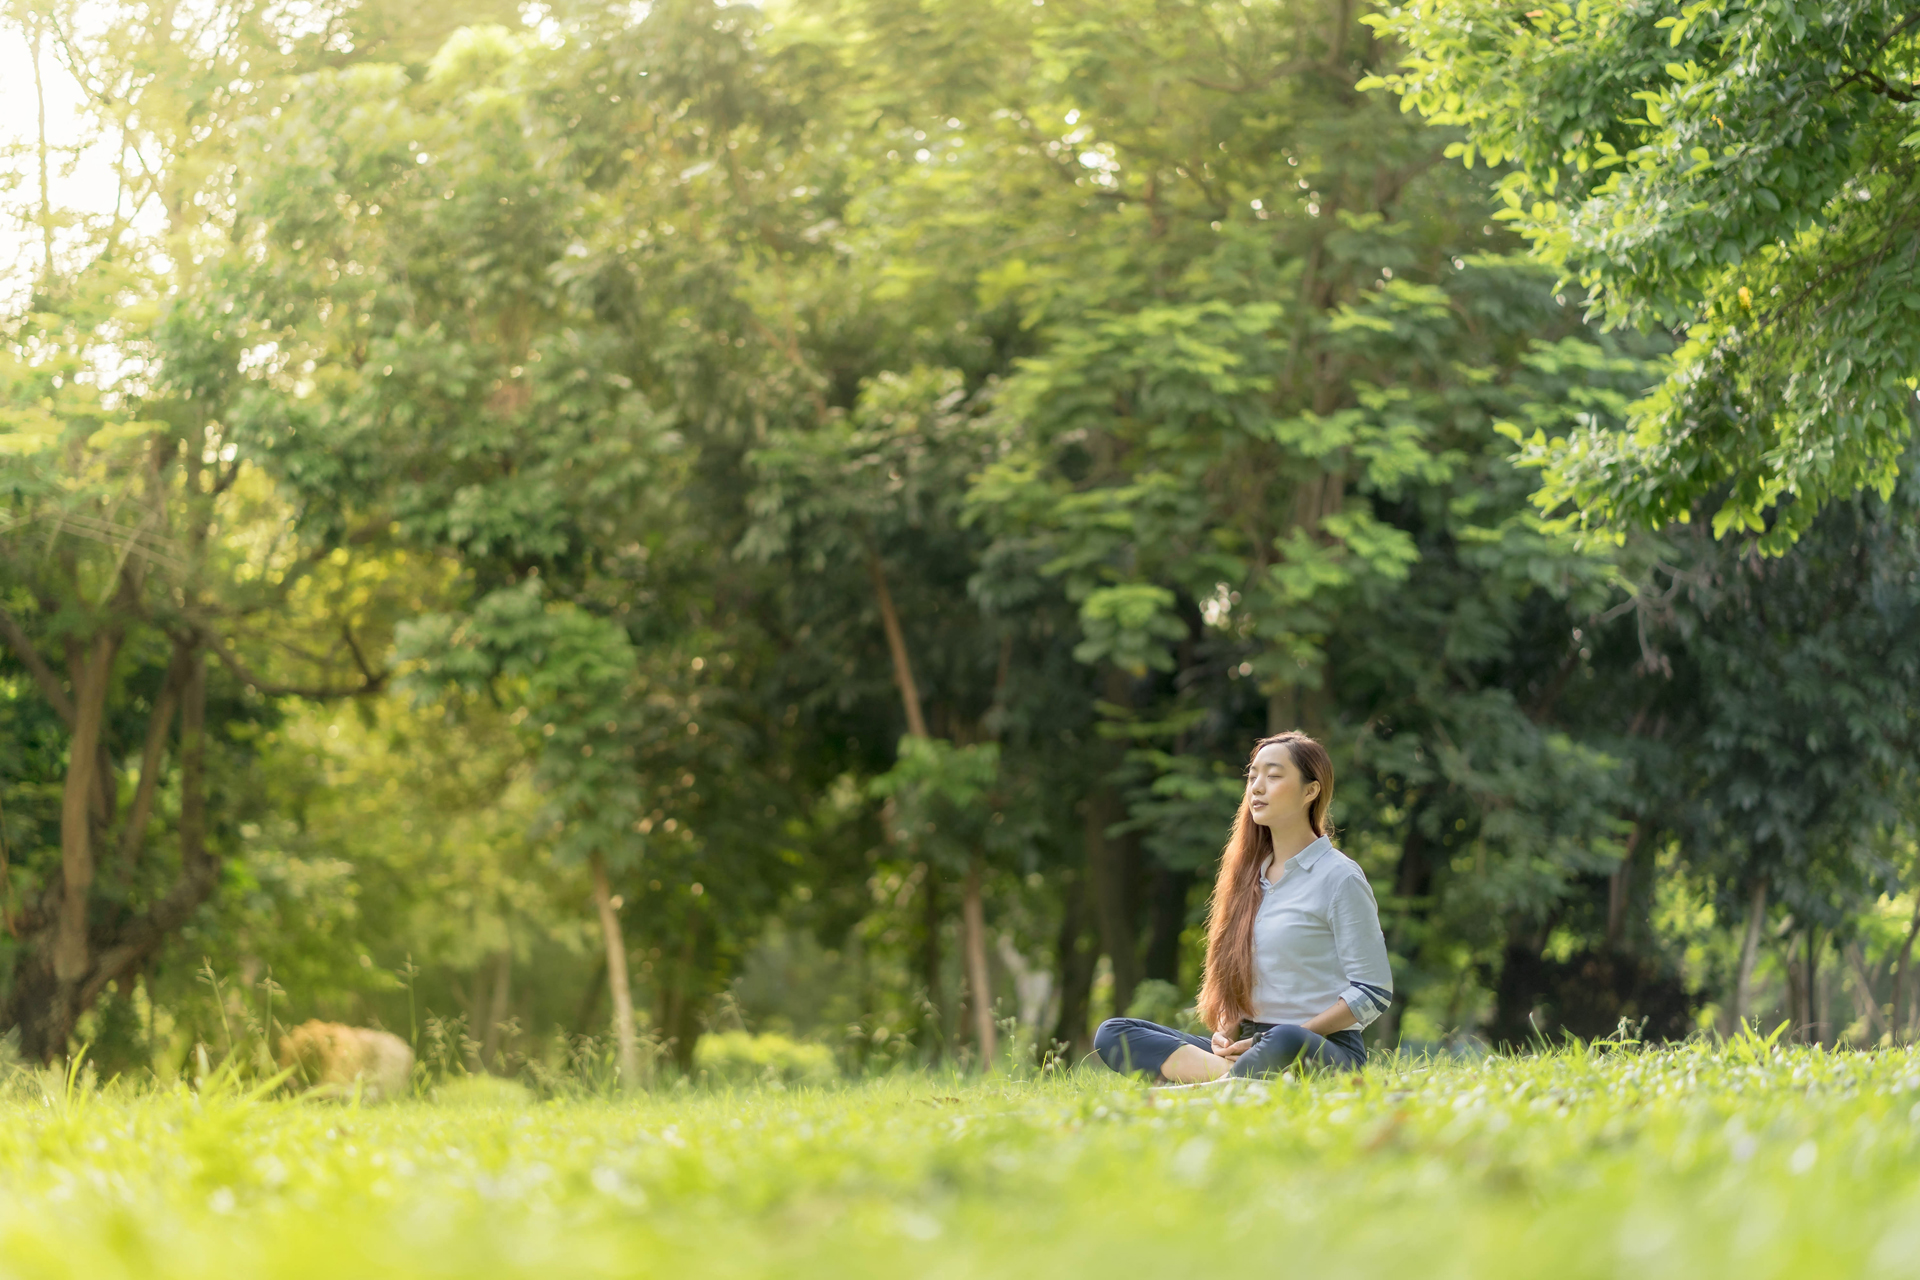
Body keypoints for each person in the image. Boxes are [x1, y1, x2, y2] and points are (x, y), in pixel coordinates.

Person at [1093, 731, 1391, 1084]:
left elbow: (1373, 992)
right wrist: (1224, 1031)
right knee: (1114, 1033)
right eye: (1252, 777)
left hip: (1317, 1046)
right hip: (1248, 1047)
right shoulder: (1249, 878)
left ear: (1310, 791)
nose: (1257, 788)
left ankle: (1210, 1086)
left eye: (1274, 776)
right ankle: (1232, 1081)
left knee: (1284, 1037)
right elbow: (1243, 984)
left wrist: (1287, 1035)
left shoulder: (1339, 877)